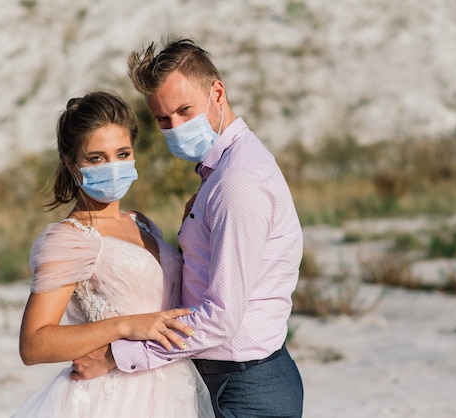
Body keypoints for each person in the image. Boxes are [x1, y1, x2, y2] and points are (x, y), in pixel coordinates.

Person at [73, 38, 305, 417]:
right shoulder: (222, 172)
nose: (176, 127)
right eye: (164, 119)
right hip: (224, 378)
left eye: (185, 111)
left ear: (217, 92)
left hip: (245, 387)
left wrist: (118, 357)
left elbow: (222, 318)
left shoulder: (237, 181)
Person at [12, 90, 214, 418]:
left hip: (174, 388)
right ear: (71, 163)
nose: (114, 167)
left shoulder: (142, 223)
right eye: (96, 158)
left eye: (122, 154)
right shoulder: (70, 239)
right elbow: (33, 344)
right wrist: (124, 326)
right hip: (112, 397)